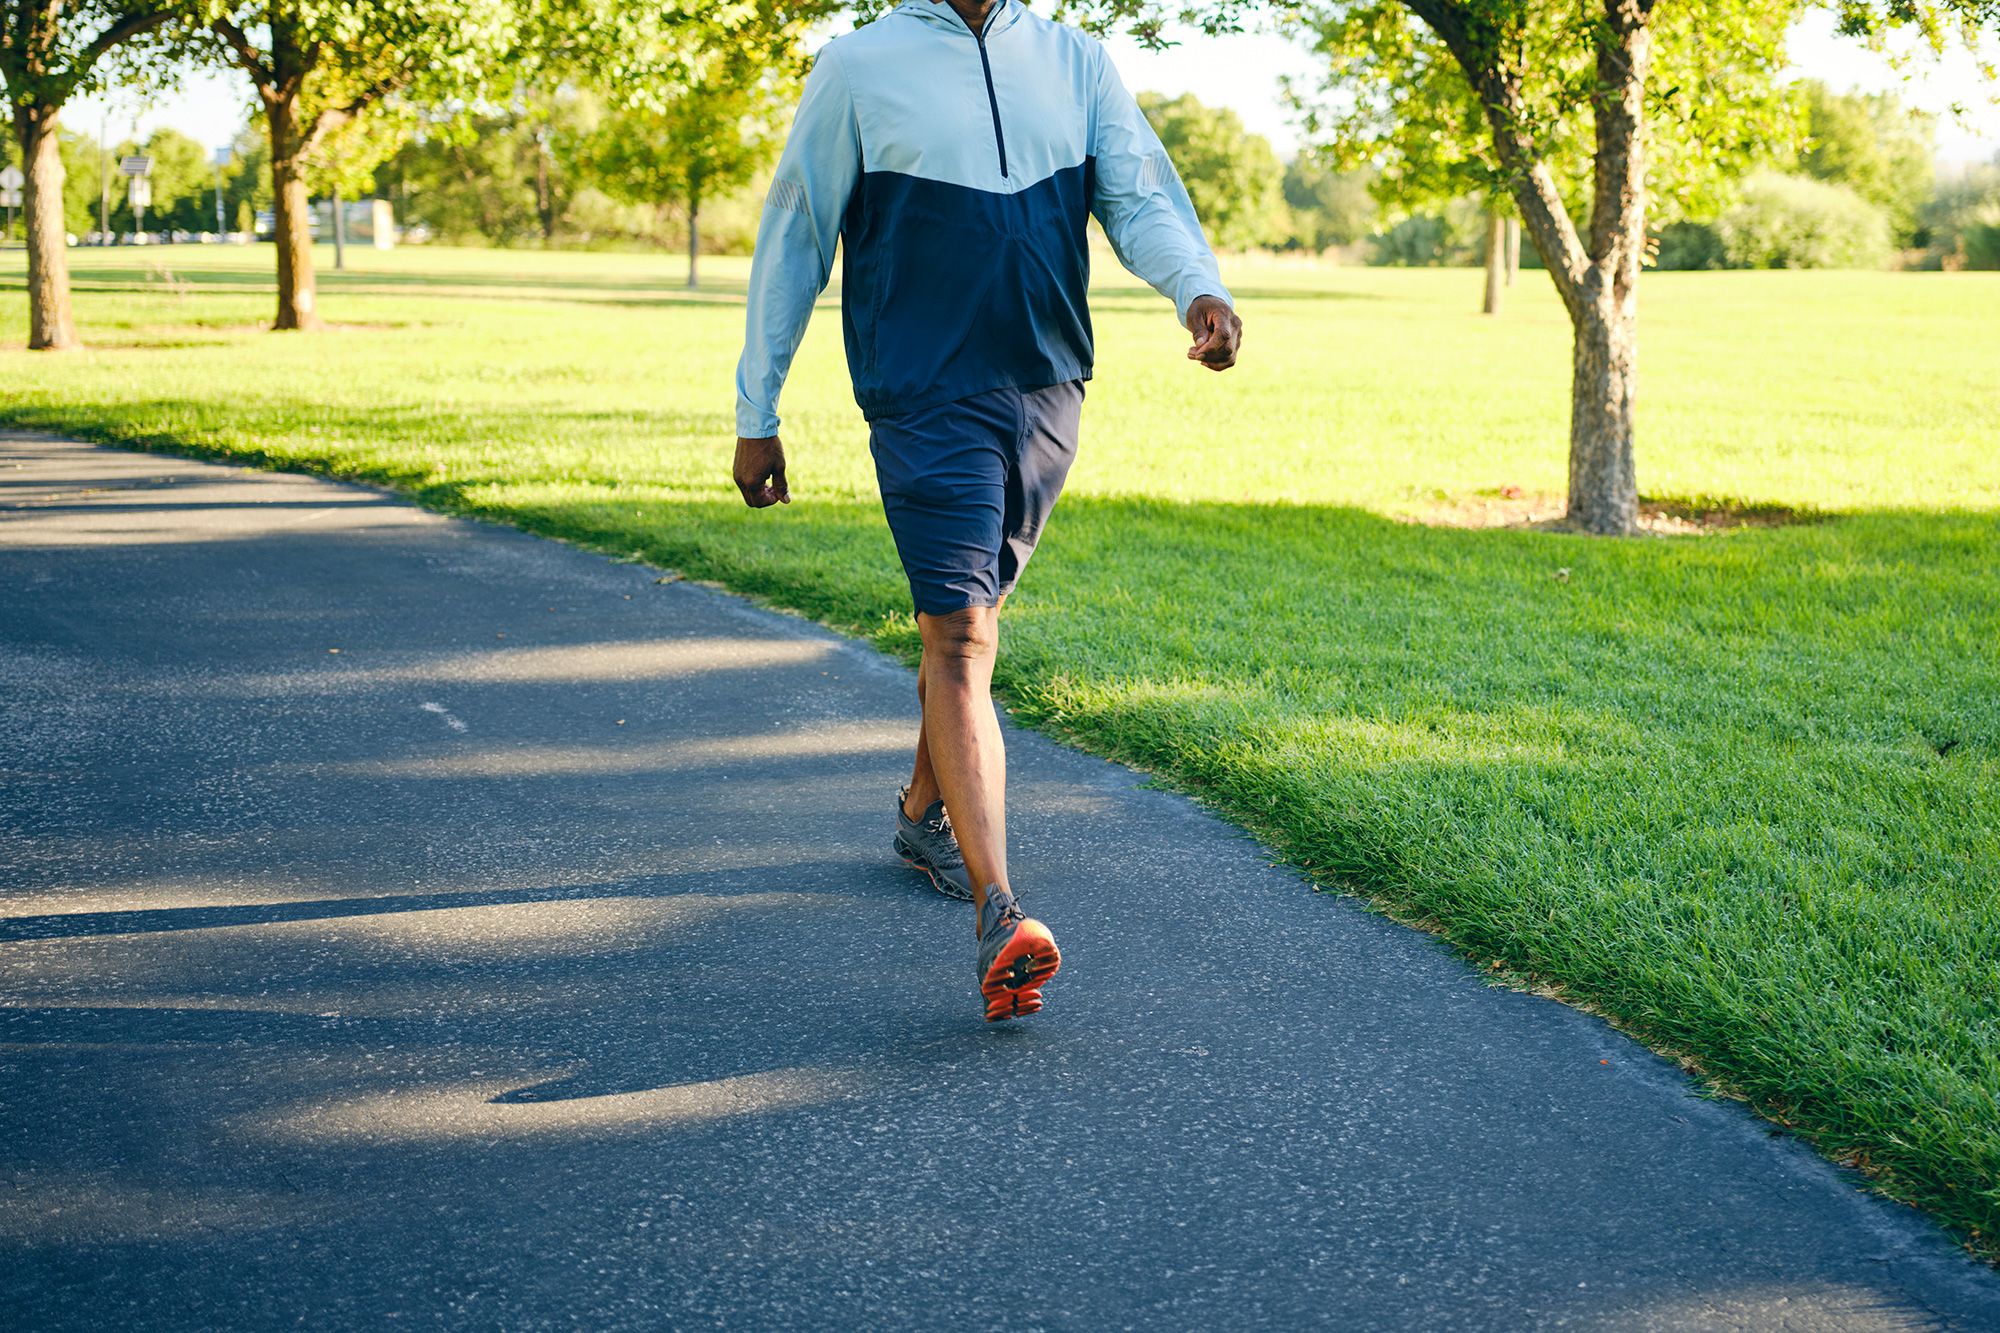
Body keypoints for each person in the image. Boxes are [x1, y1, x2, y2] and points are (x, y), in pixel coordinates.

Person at [732, 0, 1242, 1022]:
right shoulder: (857, 66)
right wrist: (759, 406)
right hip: (921, 387)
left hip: (1048, 382)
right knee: (960, 635)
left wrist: (1195, 288)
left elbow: (1136, 192)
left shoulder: (1073, 60)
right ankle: (997, 914)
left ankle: (923, 811)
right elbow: (795, 238)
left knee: (972, 617)